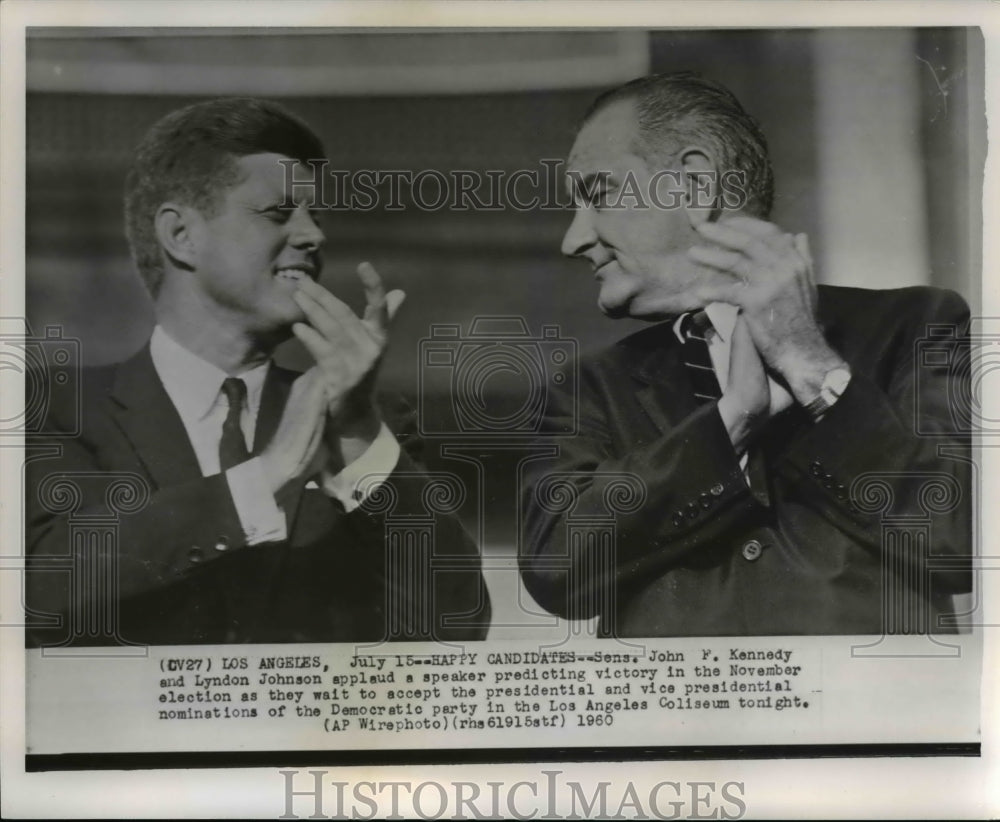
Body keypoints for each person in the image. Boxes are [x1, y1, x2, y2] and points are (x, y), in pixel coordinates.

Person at [519, 72, 972, 637]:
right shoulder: (587, 388)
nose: (572, 239)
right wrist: (729, 424)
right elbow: (556, 569)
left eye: (598, 195)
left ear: (693, 185)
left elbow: (963, 540)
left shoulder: (916, 326)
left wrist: (809, 364)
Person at [25, 97, 489, 646]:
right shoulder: (48, 408)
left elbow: (457, 624)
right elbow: (39, 588)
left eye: (316, 216)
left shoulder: (371, 421)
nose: (314, 236)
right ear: (181, 236)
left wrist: (359, 433)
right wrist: (265, 476)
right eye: (279, 212)